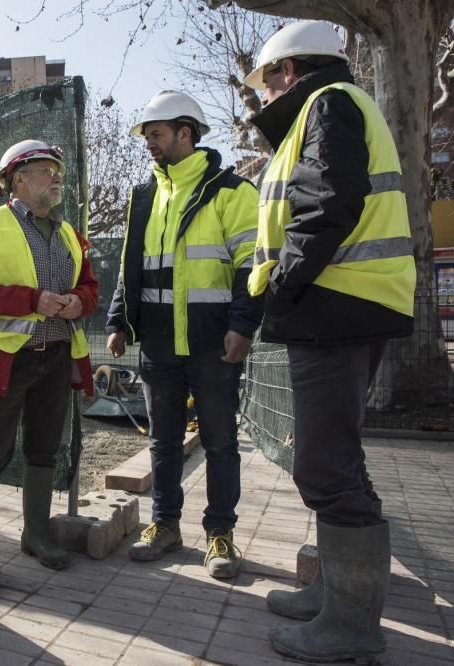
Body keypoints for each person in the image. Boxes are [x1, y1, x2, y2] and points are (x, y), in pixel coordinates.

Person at [245, 21, 415, 662]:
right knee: (334, 456)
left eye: (267, 81)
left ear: (290, 70)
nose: (264, 96)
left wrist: (282, 286)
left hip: (334, 303)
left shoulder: (328, 104)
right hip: (347, 302)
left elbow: (325, 204)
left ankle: (351, 625)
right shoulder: (337, 106)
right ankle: (338, 601)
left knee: (326, 465)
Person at [105, 91, 261, 579]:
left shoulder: (232, 193)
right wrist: (117, 321)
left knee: (219, 443)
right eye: (148, 136)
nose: (149, 144)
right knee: (163, 444)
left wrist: (242, 325)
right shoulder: (144, 198)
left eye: (156, 135)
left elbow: (252, 266)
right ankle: (165, 525)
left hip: (214, 346)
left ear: (185, 133)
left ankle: (220, 535)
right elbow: (131, 270)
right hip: (157, 347)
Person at [0, 140, 98, 593]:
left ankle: (35, 536)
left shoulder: (70, 233)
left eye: (57, 170)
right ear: (18, 179)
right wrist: (32, 301)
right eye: (46, 170)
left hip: (55, 358)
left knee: (43, 451)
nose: (56, 177)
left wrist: (79, 302)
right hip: (5, 361)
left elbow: (90, 287)